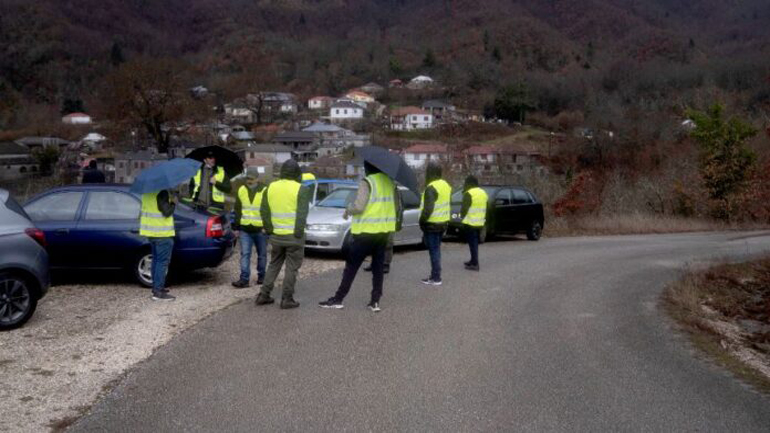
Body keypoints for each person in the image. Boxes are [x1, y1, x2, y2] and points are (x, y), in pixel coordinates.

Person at [319, 162, 402, 312]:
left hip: (366, 233)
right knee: (378, 267)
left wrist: (348, 210)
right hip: (383, 232)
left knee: (351, 267)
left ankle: (338, 299)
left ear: (368, 168)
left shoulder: (367, 182)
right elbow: (395, 207)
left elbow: (359, 207)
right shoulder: (390, 183)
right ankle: (375, 301)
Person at [255, 159, 310, 309]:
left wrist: (270, 229)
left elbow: (264, 211)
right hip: (294, 236)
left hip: (276, 236)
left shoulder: (270, 187)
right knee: (291, 268)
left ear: (282, 172)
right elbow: (302, 214)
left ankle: (263, 295)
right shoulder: (301, 189)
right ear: (296, 173)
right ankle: (287, 299)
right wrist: (299, 233)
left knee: (274, 265)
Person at [232, 167, 267, 288]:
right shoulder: (241, 189)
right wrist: (236, 228)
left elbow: (268, 210)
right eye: (247, 178)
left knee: (262, 255)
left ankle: (262, 277)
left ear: (257, 179)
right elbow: (237, 210)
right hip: (245, 229)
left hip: (260, 229)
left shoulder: (264, 190)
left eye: (251, 178)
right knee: (245, 254)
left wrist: (266, 226)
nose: (249, 181)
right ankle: (244, 279)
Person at [139, 189, 176, 301]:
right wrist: (173, 203)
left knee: (156, 260)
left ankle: (156, 288)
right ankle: (158, 292)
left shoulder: (146, 193)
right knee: (162, 262)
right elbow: (167, 212)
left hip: (151, 233)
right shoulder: (162, 192)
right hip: (162, 234)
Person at [419, 163, 451, 286]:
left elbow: (428, 209)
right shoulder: (445, 185)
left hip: (432, 224)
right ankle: (435, 275)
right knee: (436, 250)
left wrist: (421, 221)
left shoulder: (431, 187)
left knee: (434, 251)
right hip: (443, 223)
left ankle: (436, 277)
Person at [460, 176, 488, 271]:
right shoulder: (483, 193)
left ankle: (475, 264)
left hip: (470, 222)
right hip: (480, 222)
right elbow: (486, 207)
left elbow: (464, 209)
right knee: (474, 243)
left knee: (473, 243)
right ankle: (473, 260)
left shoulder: (469, 193)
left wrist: (461, 218)